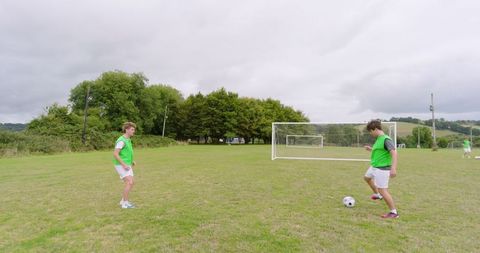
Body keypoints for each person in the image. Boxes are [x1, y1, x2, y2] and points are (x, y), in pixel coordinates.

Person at [363, 120, 399, 218]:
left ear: (375, 129)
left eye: (370, 131)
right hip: (374, 166)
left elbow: (394, 153)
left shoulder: (386, 139)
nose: (370, 133)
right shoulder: (379, 139)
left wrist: (393, 168)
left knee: (383, 190)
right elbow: (380, 150)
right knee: (366, 178)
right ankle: (377, 194)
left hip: (382, 169)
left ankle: (394, 212)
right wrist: (370, 149)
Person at [113, 122, 137, 209]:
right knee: (129, 182)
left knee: (132, 182)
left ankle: (123, 200)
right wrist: (123, 164)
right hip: (121, 165)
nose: (133, 131)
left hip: (127, 164)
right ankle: (125, 204)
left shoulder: (128, 139)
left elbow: (127, 152)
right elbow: (115, 154)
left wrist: (131, 161)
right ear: (126, 130)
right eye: (132, 129)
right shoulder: (121, 140)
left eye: (134, 129)